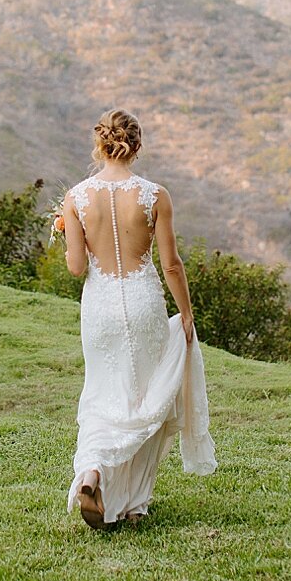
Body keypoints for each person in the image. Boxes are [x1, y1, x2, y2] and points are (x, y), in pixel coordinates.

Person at [60, 109, 216, 528]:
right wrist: (185, 311)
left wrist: (66, 231)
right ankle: (130, 502)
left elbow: (76, 267)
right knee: (146, 398)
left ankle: (93, 473)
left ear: (101, 144)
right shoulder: (155, 195)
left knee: (103, 393)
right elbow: (172, 265)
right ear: (136, 145)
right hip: (144, 302)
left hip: (101, 309)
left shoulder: (75, 198)